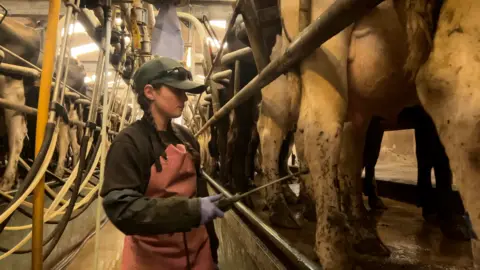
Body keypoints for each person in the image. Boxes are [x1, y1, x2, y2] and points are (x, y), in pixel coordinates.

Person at [100, 56, 225, 270]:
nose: (184, 98)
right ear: (150, 92)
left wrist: (213, 249)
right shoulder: (129, 143)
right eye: (177, 91)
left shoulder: (186, 137)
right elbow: (121, 209)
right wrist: (190, 211)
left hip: (198, 255)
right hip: (152, 260)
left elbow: (200, 192)